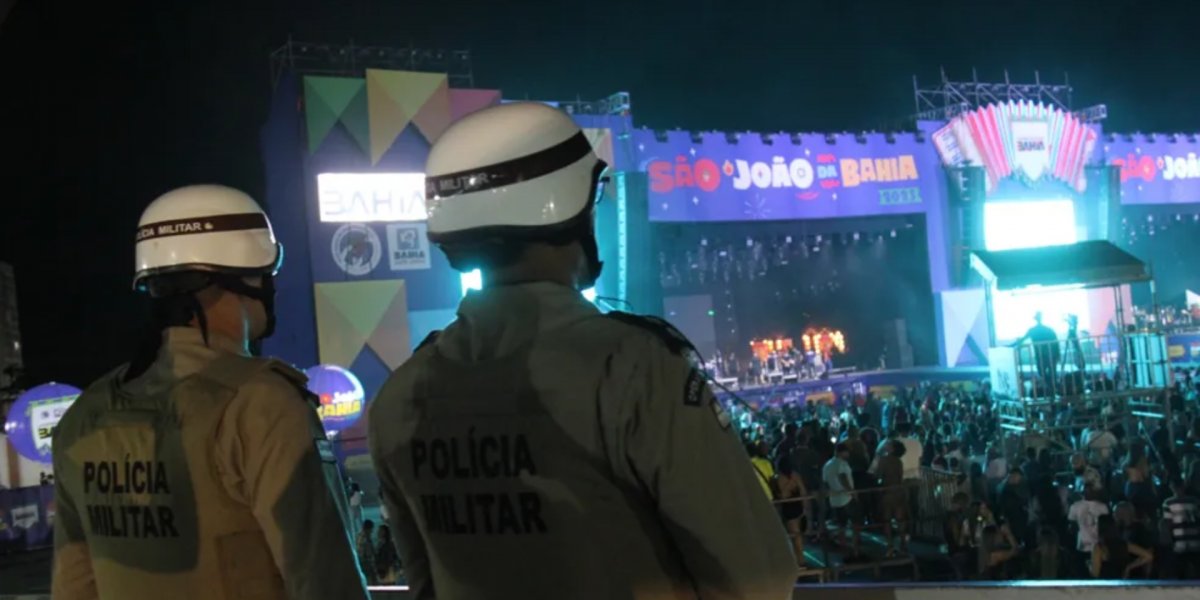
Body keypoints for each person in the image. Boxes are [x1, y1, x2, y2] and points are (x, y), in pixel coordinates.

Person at [367, 103, 797, 599]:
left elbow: (424, 585)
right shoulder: (633, 371)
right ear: (569, 207)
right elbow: (758, 579)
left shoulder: (398, 400)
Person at [50, 185, 368, 599]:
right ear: (242, 279)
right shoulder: (259, 403)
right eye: (265, 275)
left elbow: (73, 587)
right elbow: (325, 580)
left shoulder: (85, 415)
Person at [824, 443, 862, 559]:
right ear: (842, 452)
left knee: (841, 525)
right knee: (855, 523)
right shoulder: (841, 463)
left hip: (834, 499)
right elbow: (843, 477)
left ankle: (844, 550)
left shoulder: (827, 465)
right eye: (847, 452)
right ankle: (856, 550)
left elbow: (825, 482)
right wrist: (851, 491)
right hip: (846, 497)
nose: (848, 454)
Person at [357, 520, 378, 586]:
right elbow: (366, 552)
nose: (372, 531)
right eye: (371, 529)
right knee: (371, 581)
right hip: (366, 563)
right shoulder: (365, 538)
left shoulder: (359, 536)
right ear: (368, 529)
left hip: (363, 562)